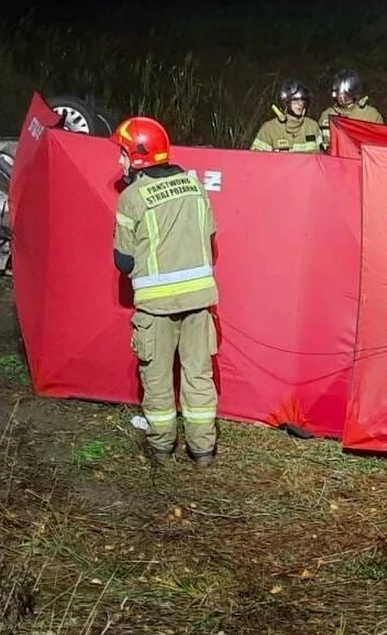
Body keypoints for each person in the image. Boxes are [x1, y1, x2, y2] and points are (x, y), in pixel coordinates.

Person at [111, 116, 220, 467]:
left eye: (123, 153)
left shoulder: (132, 198)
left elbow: (123, 262)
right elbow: (210, 237)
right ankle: (203, 451)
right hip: (200, 302)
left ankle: (160, 448)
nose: (120, 161)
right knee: (198, 376)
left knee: (156, 379)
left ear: (138, 156)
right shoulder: (196, 187)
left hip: (156, 308)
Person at [317, 69, 384, 151]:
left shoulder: (371, 115)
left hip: (361, 161)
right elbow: (321, 148)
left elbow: (380, 147)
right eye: (338, 93)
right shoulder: (327, 115)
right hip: (335, 161)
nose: (341, 97)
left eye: (346, 94)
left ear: (354, 93)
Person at [250, 79, 322, 153]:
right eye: (295, 100)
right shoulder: (269, 129)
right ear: (285, 102)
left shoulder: (312, 127)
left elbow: (322, 159)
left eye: (302, 100)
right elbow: (256, 159)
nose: (300, 104)